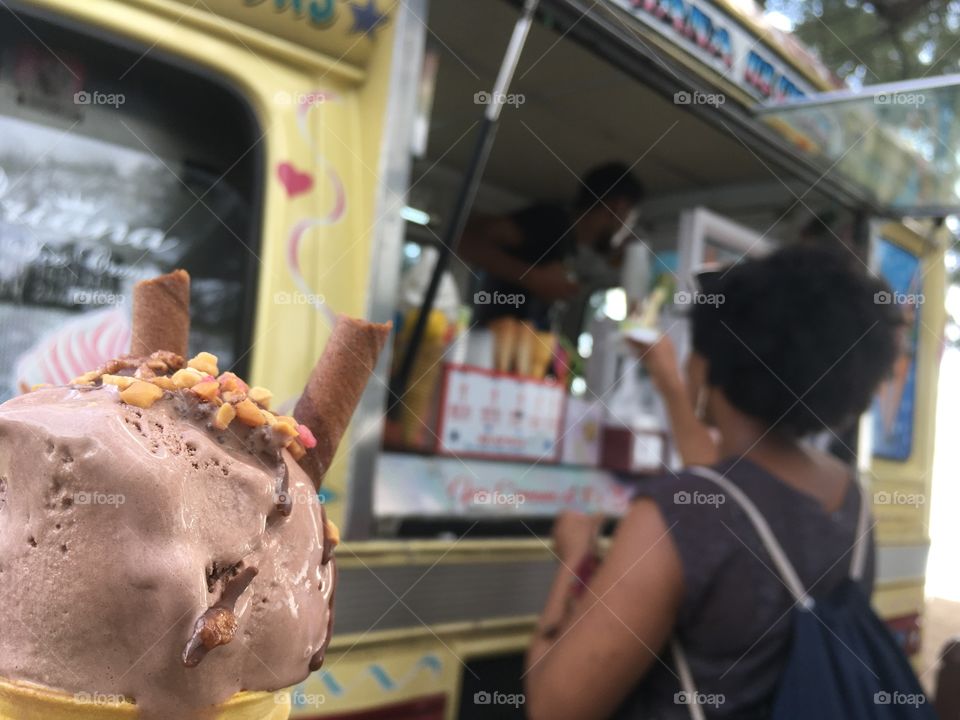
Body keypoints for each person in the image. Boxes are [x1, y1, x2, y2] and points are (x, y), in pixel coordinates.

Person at [524, 245, 902, 719]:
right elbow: (738, 492)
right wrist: (668, 383)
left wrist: (574, 562)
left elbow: (553, 708)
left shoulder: (675, 513)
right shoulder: (849, 497)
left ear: (709, 364)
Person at [459, 162, 644, 330]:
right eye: (629, 219)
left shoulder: (571, 246)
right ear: (616, 208)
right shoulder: (551, 222)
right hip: (493, 346)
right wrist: (533, 278)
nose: (626, 230)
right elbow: (465, 240)